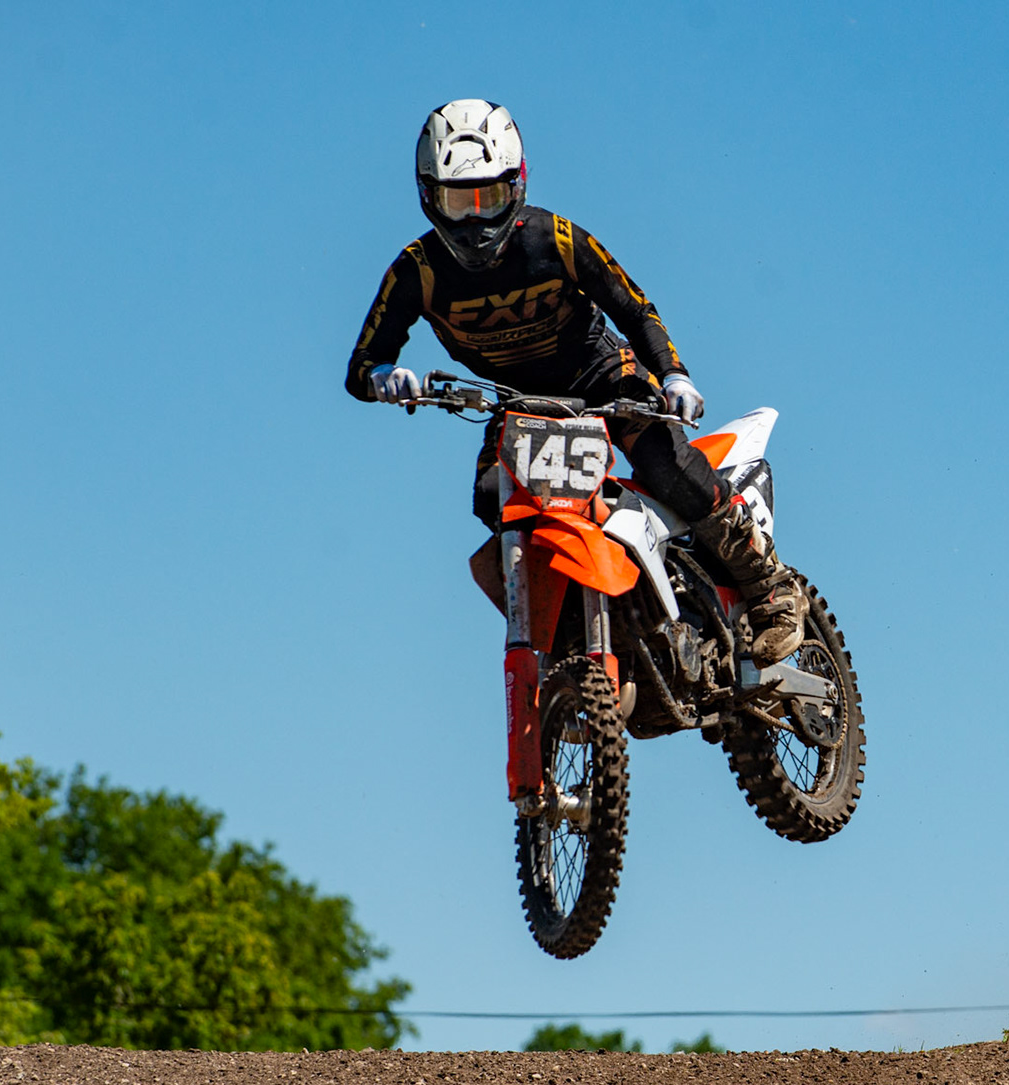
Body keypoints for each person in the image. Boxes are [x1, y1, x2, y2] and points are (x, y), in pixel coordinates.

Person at [344, 99, 805, 663]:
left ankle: (771, 586)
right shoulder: (415, 271)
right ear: (427, 196)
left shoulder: (557, 239)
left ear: (517, 185)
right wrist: (385, 377)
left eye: (488, 198)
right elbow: (361, 366)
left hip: (602, 377)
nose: (474, 221)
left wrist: (674, 374)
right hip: (518, 404)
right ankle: (576, 622)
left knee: (665, 463)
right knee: (491, 497)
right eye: (456, 202)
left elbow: (634, 308)